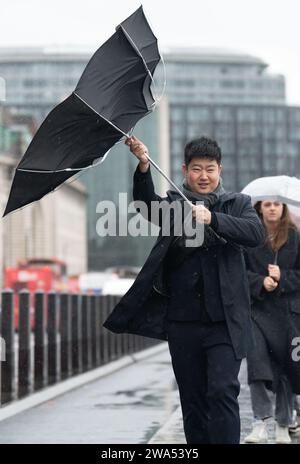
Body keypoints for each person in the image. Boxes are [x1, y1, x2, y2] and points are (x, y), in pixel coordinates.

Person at [103, 135, 264, 444]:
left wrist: (213, 218)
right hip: (183, 323)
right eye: (196, 169)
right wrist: (144, 164)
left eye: (210, 169)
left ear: (220, 170)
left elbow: (254, 233)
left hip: (226, 323)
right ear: (184, 170)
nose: (203, 176)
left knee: (222, 391)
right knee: (193, 401)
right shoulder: (174, 206)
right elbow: (145, 205)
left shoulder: (238, 204)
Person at [244, 201, 300, 444]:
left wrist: (282, 276)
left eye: (277, 204)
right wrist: (260, 282)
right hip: (258, 311)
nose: (272, 209)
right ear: (260, 208)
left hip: (289, 313)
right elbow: (239, 273)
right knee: (257, 366)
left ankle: (283, 423)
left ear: (284, 208)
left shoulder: (296, 237)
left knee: (286, 368)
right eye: (267, 204)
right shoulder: (250, 236)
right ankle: (260, 421)